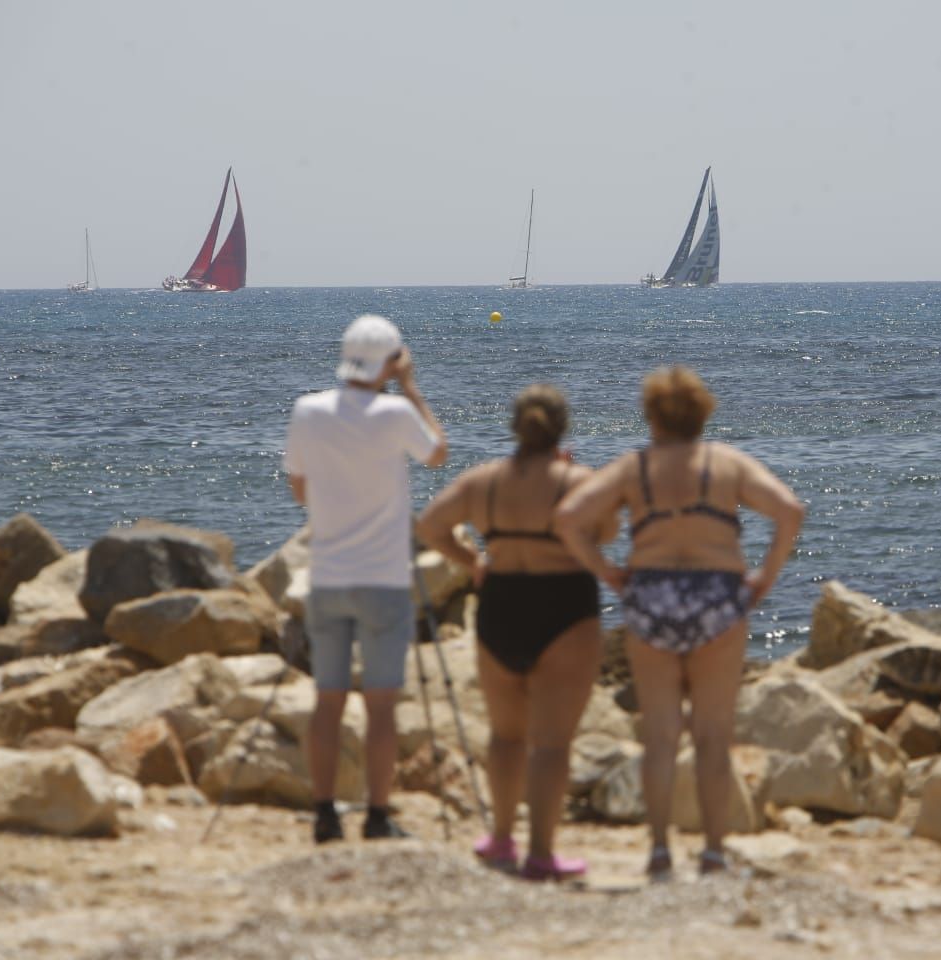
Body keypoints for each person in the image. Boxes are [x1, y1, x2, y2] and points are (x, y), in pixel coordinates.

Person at [554, 365, 804, 877]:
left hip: (651, 596)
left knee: (661, 736)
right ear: (703, 411)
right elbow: (789, 511)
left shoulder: (633, 468)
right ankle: (713, 852)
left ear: (651, 415)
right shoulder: (726, 463)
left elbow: (569, 518)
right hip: (718, 597)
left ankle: (660, 852)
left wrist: (610, 573)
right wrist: (764, 579)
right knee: (713, 736)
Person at [416, 384, 612, 881]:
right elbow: (606, 531)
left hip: (501, 601)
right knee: (551, 742)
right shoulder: (578, 481)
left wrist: (473, 562)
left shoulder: (485, 481)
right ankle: (542, 854)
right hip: (565, 603)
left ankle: (502, 839)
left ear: (515, 428)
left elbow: (430, 526)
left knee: (506, 736)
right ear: (561, 430)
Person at [284, 314, 447, 844]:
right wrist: (411, 385)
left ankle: (325, 814)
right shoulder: (397, 411)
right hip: (384, 581)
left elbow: (300, 491)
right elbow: (438, 454)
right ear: (390, 360)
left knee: (327, 702)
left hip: (329, 577)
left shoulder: (307, 412)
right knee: (381, 706)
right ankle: (377, 815)